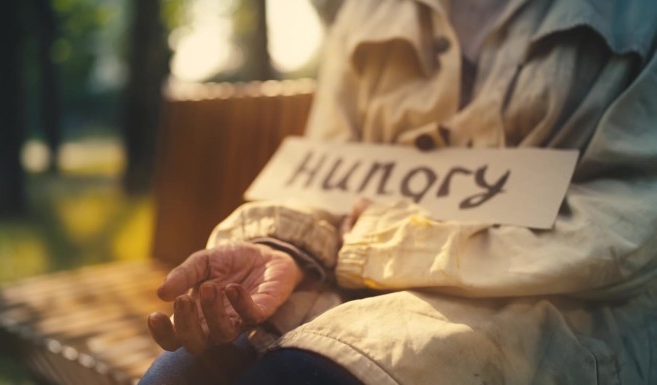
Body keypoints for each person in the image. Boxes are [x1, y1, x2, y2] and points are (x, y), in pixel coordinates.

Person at [141, 0, 657, 384]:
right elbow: (329, 175)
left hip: (572, 308)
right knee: (184, 370)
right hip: (357, 291)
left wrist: (377, 243)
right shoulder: (371, 10)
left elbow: (631, 220)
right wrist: (284, 245)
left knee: (297, 377)